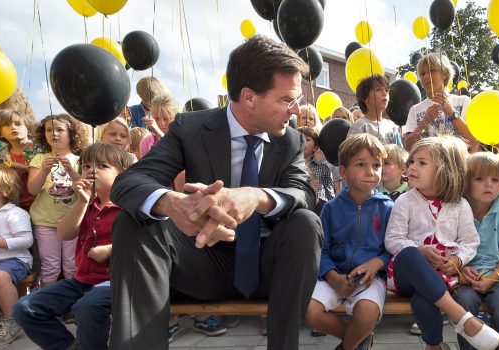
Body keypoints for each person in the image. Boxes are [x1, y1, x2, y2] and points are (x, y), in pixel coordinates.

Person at [108, 34, 322, 350]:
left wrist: (256, 197)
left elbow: (303, 191)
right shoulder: (190, 128)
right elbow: (127, 183)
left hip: (270, 271)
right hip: (202, 263)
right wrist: (173, 203)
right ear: (249, 97)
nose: (295, 110)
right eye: (287, 100)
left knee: (305, 222)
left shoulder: (289, 140)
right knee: (133, 222)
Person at [384, 136, 499, 350]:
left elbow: (470, 242)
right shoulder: (405, 201)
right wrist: (419, 250)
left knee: (423, 299)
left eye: (422, 162)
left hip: (441, 276)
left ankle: (434, 346)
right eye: (411, 161)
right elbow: (393, 239)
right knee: (410, 254)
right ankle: (462, 318)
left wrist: (457, 260)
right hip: (406, 274)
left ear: (444, 170)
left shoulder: (459, 205)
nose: (411, 167)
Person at [14, 143, 132, 350]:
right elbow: (64, 233)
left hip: (116, 281)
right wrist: (82, 202)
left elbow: (144, 242)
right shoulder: (87, 204)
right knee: (25, 308)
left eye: (102, 165)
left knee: (87, 307)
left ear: (121, 173)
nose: (91, 170)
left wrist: (111, 249)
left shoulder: (130, 206)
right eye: (85, 166)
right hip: (82, 281)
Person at [304, 134, 392, 350]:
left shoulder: (389, 208)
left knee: (367, 313)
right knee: (308, 311)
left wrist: (376, 263)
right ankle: (357, 338)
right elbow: (321, 251)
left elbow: (394, 248)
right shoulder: (331, 208)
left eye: (376, 165)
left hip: (369, 280)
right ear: (343, 172)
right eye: (361, 165)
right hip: (333, 277)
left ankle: (347, 346)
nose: (370, 172)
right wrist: (334, 278)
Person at [452, 152, 499, 350]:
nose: (488, 184)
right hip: (464, 274)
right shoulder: (455, 211)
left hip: (497, 274)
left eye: (495, 179)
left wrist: (491, 279)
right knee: (463, 303)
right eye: (480, 178)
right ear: (466, 181)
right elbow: (448, 248)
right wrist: (459, 269)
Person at [27, 114, 89, 288]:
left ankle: (70, 309)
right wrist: (44, 171)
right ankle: (48, 307)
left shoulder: (79, 160)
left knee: (71, 267)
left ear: (71, 133)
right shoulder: (39, 159)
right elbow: (32, 189)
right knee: (50, 268)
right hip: (45, 223)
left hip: (72, 224)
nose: (54, 133)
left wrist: (72, 172)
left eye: (60, 129)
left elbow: (85, 192)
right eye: (49, 129)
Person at [0, 165, 32, 347]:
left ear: (4, 190)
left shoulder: (14, 213)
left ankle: (11, 320)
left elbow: (26, 240)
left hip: (15, 260)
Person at [401, 53, 478, 153]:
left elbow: (473, 141)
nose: (426, 76)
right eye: (422, 74)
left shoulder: (463, 101)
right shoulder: (415, 109)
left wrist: (451, 112)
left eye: (431, 71)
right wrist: (425, 121)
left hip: (458, 167)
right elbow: (407, 147)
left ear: (445, 74)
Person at [0, 109, 36, 210]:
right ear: (0, 133)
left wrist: (19, 166)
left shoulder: (42, 150)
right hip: (10, 210)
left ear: (27, 127)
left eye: (18, 124)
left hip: (41, 210)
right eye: (6, 125)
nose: (13, 127)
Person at [348, 74, 402, 146]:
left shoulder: (392, 126)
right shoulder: (360, 126)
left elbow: (400, 153)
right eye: (378, 90)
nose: (385, 93)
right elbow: (350, 153)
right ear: (365, 98)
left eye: (386, 90)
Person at [298, 126, 341, 202]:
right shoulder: (289, 166)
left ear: (315, 147)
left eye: (307, 139)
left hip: (319, 207)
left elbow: (330, 195)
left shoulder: (324, 169)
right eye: (299, 137)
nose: (302, 141)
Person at [139, 94, 179, 158]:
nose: (161, 123)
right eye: (157, 119)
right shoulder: (146, 142)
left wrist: (159, 134)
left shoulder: (183, 139)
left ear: (176, 117)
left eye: (166, 119)